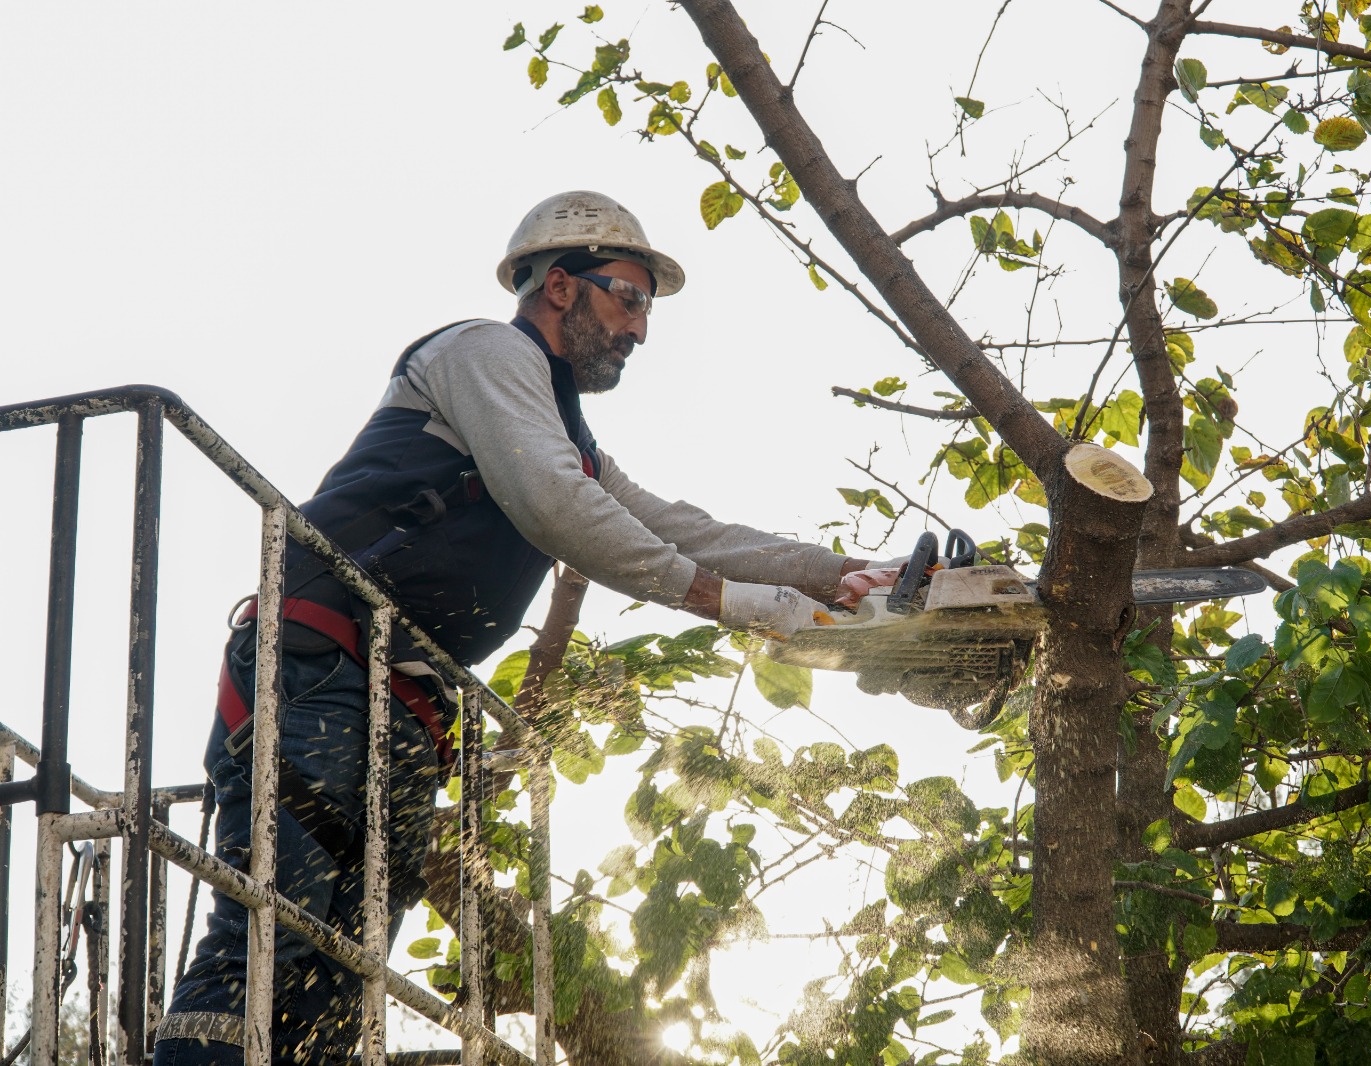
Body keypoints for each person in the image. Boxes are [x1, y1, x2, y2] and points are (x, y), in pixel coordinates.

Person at [153, 190, 890, 1063]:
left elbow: (681, 528)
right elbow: (556, 505)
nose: (641, 330)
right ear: (559, 286)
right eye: (629, 296)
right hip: (323, 670)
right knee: (271, 943)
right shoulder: (486, 353)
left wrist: (831, 574)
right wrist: (724, 603)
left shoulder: (562, 429)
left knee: (339, 989)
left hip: (401, 708)